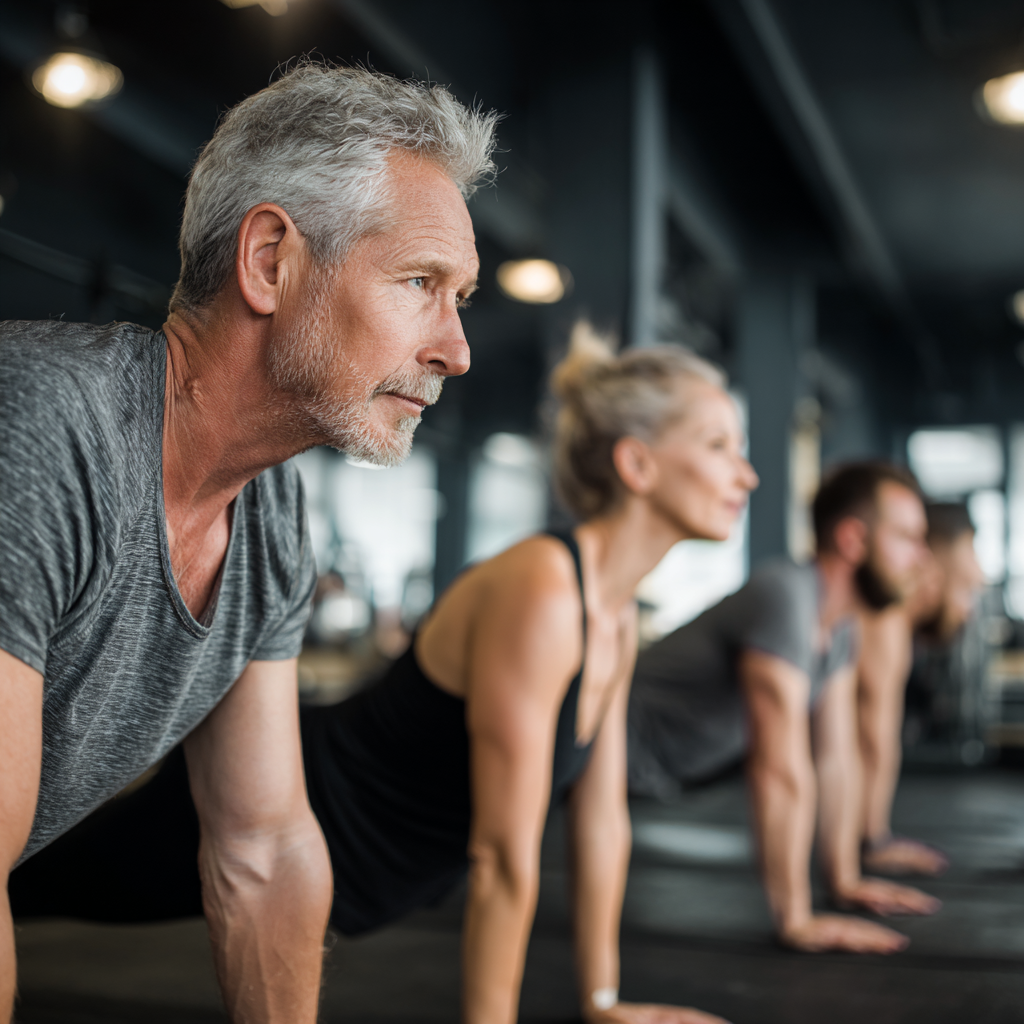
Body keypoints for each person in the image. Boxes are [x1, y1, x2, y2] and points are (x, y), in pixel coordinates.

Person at [12, 324, 754, 1024]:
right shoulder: (547, 588)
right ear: (638, 464)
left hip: (375, 872)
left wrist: (601, 999)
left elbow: (602, 819)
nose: (746, 474)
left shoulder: (615, 612)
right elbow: (502, 852)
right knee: (30, 875)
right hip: (305, 803)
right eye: (720, 445)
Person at [0, 62, 497, 1021]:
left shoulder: (268, 517)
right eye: (420, 282)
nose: (456, 348)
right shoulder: (41, 428)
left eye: (461, 296)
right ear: (270, 260)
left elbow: (263, 852)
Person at [627, 462, 943, 955]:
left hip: (658, 780)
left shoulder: (839, 627)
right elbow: (778, 770)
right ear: (853, 539)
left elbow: (834, 757)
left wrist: (845, 880)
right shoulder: (787, 597)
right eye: (906, 537)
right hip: (596, 756)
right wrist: (796, 920)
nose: (921, 558)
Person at [858, 502, 984, 877]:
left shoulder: (894, 626)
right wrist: (872, 844)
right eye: (970, 552)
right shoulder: (884, 624)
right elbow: (869, 741)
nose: (978, 573)